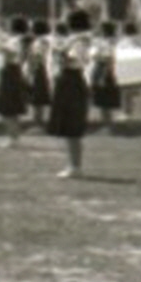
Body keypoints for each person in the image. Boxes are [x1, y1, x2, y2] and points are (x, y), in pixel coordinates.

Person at [46, 37, 91, 178]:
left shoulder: (78, 43)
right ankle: (73, 165)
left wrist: (59, 53)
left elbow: (74, 61)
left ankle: (75, 166)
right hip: (67, 80)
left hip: (72, 80)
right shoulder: (74, 41)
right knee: (68, 127)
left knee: (72, 127)